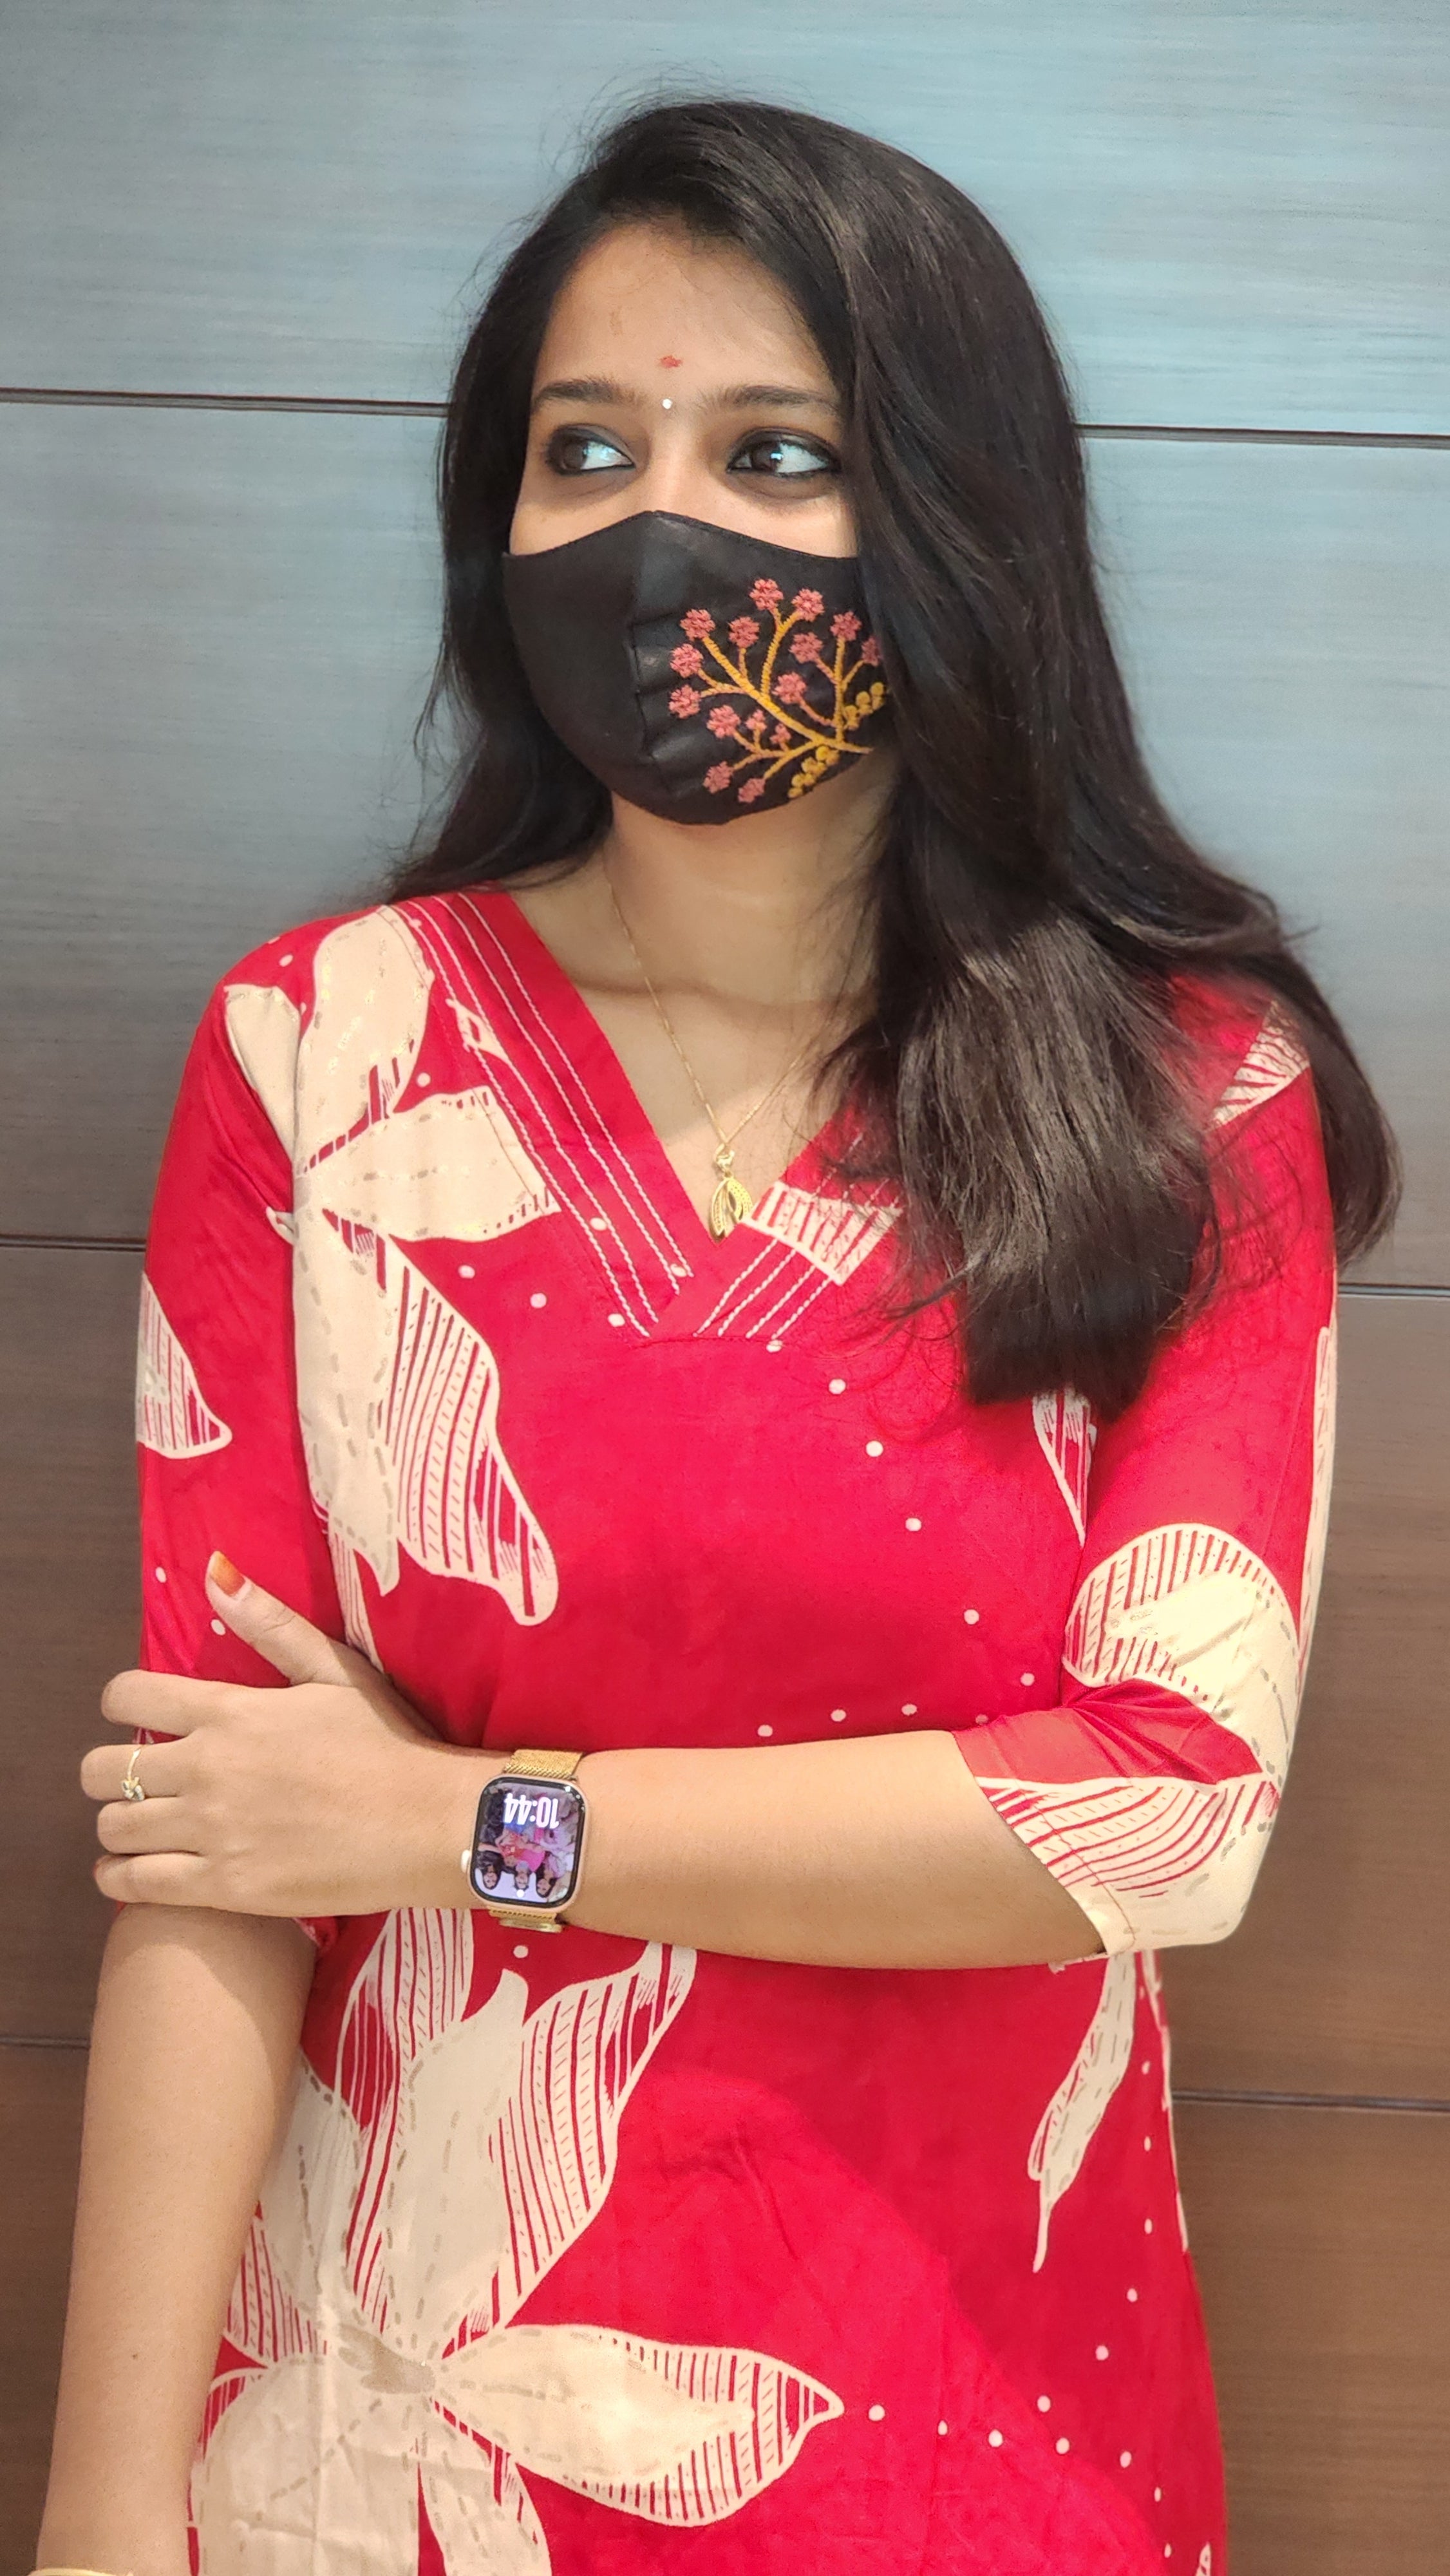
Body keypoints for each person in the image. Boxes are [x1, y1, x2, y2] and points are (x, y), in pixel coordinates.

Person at [37, 97, 1395, 2576]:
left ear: (955, 517)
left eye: (776, 452)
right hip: (379, 2453)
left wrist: (458, 1823)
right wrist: (105, 2509)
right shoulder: (322, 1054)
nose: (661, 529)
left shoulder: (1189, 1098)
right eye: (586, 450)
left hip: (975, 2446)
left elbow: (1167, 1809)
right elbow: (222, 1847)